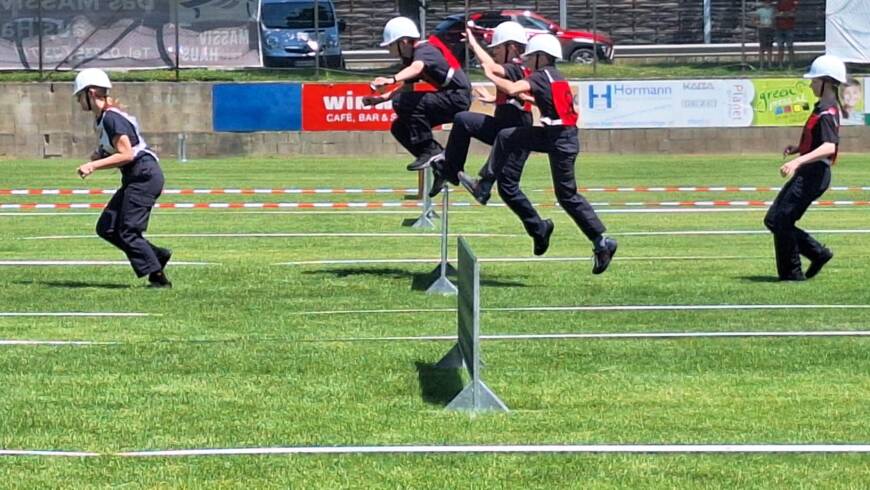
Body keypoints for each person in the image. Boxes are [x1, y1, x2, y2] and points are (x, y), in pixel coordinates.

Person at [475, 34, 617, 273]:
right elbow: (538, 98)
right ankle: (485, 183)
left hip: (561, 141)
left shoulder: (541, 76)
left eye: (530, 56)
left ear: (542, 57)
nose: (527, 60)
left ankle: (602, 242)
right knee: (507, 136)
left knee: (567, 196)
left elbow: (510, 87)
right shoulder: (553, 76)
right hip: (556, 136)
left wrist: (489, 74)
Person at [73, 68, 172, 288]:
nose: (78, 101)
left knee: (127, 230)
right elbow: (118, 149)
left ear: (90, 93)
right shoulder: (102, 120)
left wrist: (93, 165)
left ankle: (158, 278)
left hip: (144, 175)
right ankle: (157, 256)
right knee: (107, 227)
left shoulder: (111, 118)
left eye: (79, 96)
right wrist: (101, 154)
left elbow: (127, 154)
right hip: (135, 176)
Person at [764, 55, 847, 281]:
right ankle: (817, 254)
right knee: (774, 220)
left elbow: (829, 146)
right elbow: (818, 142)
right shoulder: (821, 108)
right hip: (810, 172)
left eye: (814, 80)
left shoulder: (828, 113)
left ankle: (793, 273)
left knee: (781, 220)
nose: (810, 84)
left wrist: (797, 161)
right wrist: (798, 148)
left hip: (814, 174)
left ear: (827, 82)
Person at [428, 21, 533, 200]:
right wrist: (493, 99)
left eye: (498, 47)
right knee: (463, 120)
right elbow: (515, 97)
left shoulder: (514, 67)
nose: (494, 51)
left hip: (514, 132)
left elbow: (491, 68)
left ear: (512, 47)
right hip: (504, 127)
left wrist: (474, 44)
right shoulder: (517, 69)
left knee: (509, 188)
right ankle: (453, 171)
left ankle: (539, 226)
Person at [369, 16, 471, 172]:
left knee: (402, 102)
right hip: (451, 98)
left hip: (457, 97)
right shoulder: (414, 57)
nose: (390, 51)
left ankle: (431, 150)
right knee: (399, 127)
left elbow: (416, 68)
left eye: (391, 45)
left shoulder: (424, 50)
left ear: (403, 42)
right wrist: (381, 99)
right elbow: (407, 88)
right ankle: (441, 166)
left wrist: (391, 79)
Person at [774, 0, 798, 68]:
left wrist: (782, 14)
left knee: (790, 46)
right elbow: (775, 14)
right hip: (779, 27)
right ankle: (780, 64)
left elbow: (793, 13)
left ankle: (792, 64)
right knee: (780, 47)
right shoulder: (778, 2)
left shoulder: (792, 1)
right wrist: (785, 14)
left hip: (789, 27)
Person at [753, 0, 776, 68]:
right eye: (766, 2)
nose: (767, 4)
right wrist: (759, 24)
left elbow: (775, 20)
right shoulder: (759, 11)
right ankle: (761, 64)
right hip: (762, 29)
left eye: (769, 2)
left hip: (770, 29)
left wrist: (773, 24)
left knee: (769, 47)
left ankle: (769, 63)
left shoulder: (772, 10)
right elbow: (754, 20)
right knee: (762, 47)